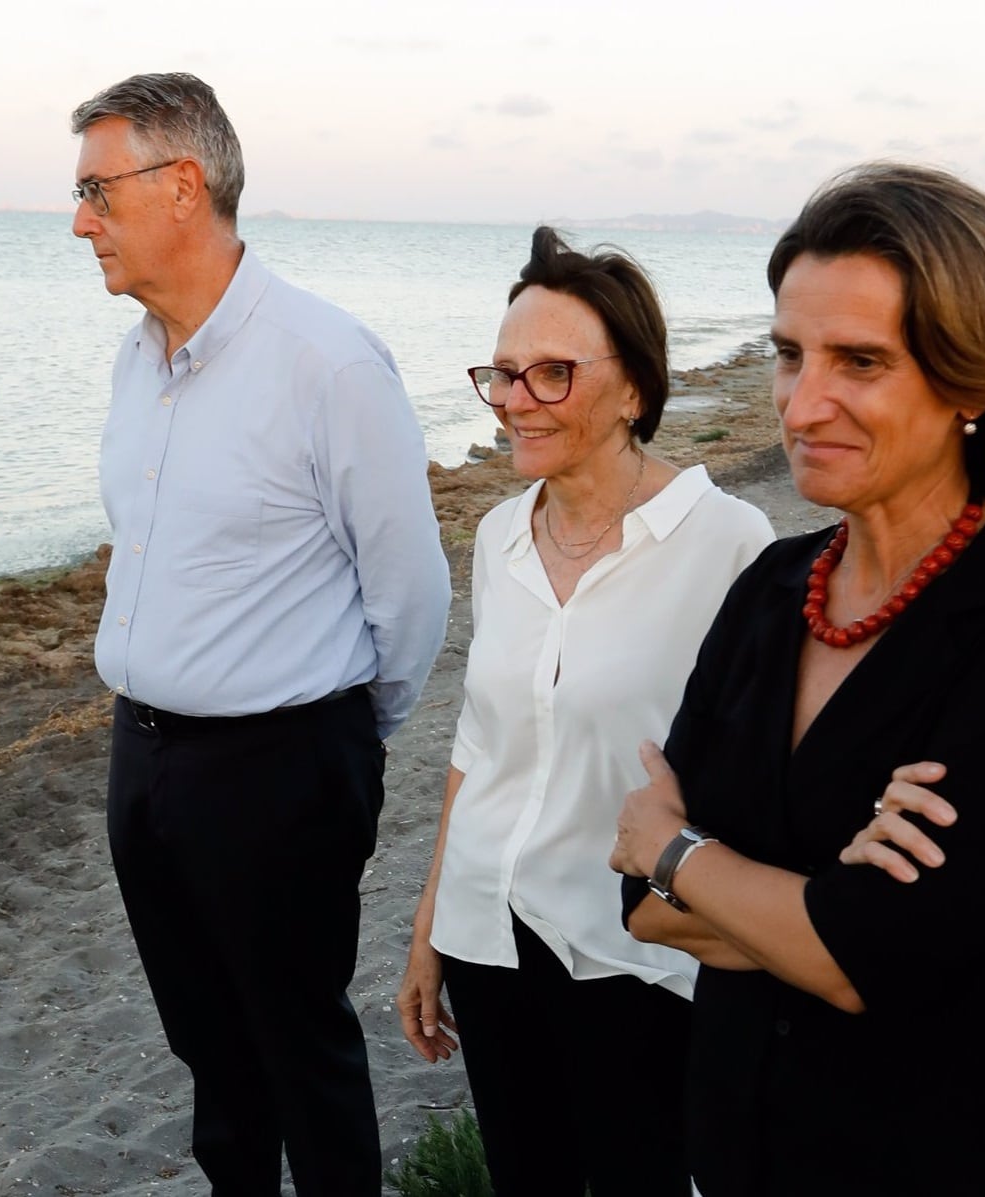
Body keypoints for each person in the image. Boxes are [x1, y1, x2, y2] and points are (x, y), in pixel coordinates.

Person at [611, 163, 985, 1194]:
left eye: (858, 361)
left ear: (971, 381)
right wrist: (814, 913)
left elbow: (861, 960)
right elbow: (637, 910)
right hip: (727, 1148)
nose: (801, 406)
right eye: (787, 354)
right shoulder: (771, 588)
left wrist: (677, 846)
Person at [72, 73, 450, 1196]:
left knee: (301, 1053)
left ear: (182, 185)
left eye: (97, 190)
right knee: (208, 1052)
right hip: (142, 757)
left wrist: (338, 742)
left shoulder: (326, 363)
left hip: (279, 767)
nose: (79, 219)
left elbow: (410, 589)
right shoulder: (136, 361)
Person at [397, 228, 774, 1195]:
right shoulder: (494, 535)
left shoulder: (728, 542)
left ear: (635, 390)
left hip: (633, 952)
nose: (515, 400)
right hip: (489, 939)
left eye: (551, 374)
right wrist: (430, 926)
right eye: (504, 374)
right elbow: (478, 745)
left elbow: (756, 779)